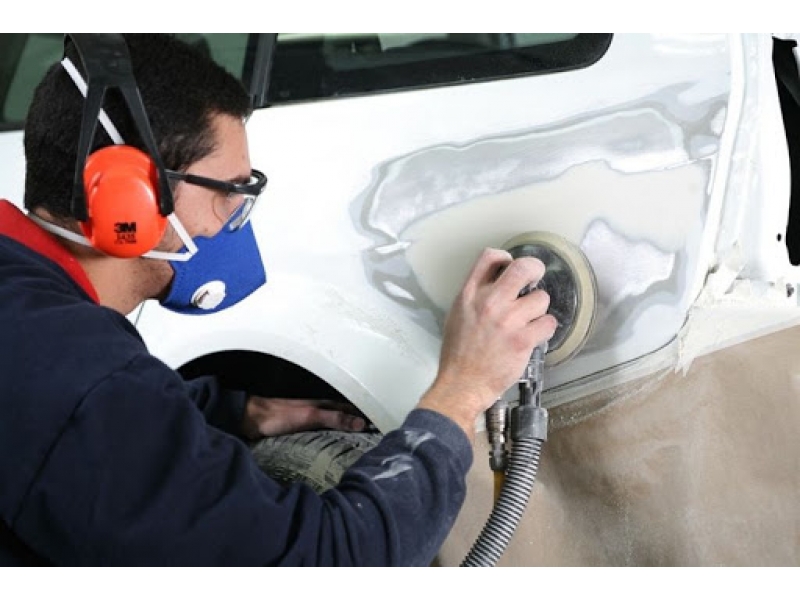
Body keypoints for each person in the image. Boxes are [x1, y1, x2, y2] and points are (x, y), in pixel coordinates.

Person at [0, 34, 556, 566]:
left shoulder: (32, 322)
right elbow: (320, 563)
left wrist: (236, 412)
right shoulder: (78, 381)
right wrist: (462, 389)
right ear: (130, 198)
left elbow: (86, 432)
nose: (240, 222)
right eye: (231, 196)